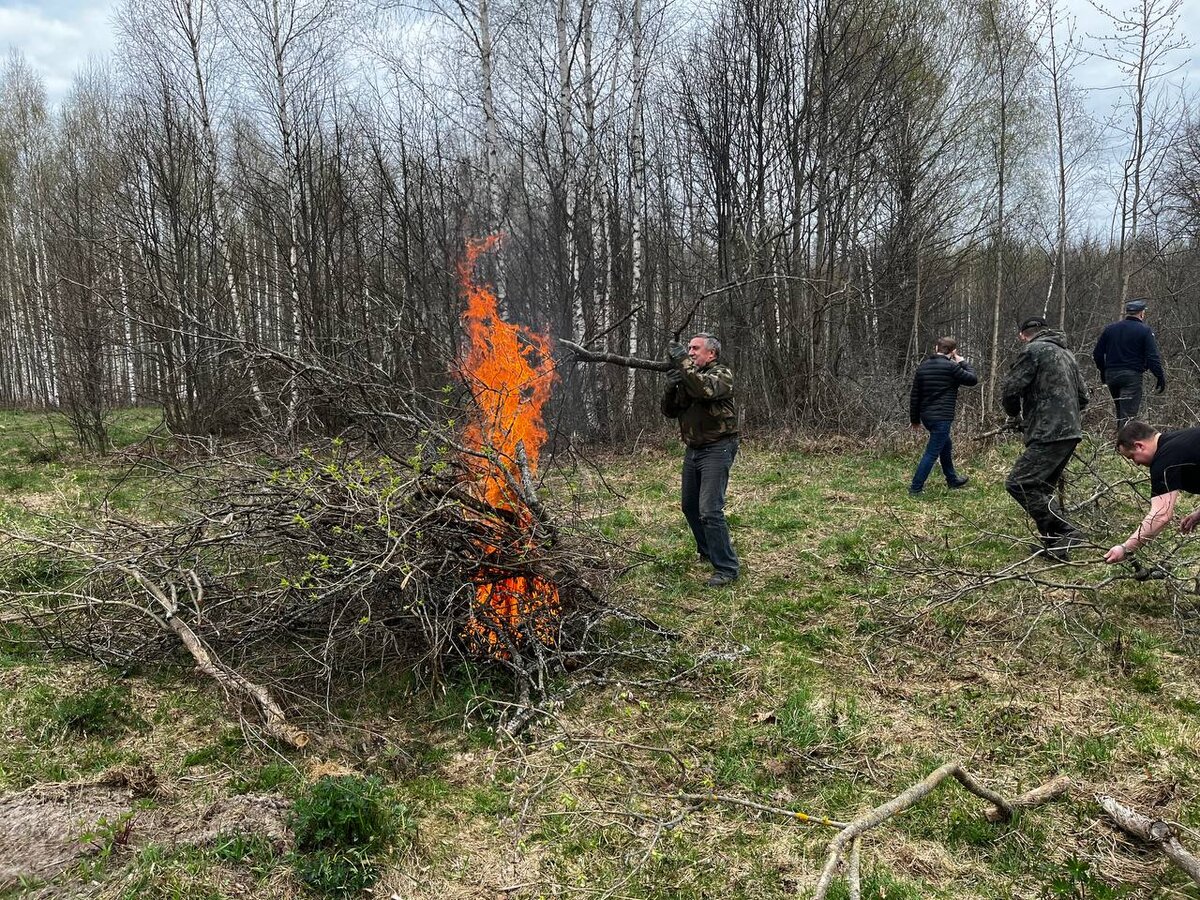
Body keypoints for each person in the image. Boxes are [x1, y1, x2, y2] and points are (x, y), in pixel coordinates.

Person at [1000, 316, 1090, 560]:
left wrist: (1014, 414)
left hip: (1047, 430)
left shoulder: (1033, 351)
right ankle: (1055, 545)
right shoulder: (1067, 354)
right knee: (1042, 487)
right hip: (1071, 430)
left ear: (1023, 335)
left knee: (1019, 483)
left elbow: (1011, 388)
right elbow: (1083, 397)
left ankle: (1067, 531)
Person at [661, 332, 740, 587]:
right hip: (694, 449)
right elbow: (670, 411)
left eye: (695, 348)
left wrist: (682, 363)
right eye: (688, 348)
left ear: (712, 353)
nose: (690, 352)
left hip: (718, 447)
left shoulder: (722, 374)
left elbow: (704, 390)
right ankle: (708, 550)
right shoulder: (689, 377)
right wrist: (670, 387)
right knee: (689, 506)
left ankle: (726, 568)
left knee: (710, 510)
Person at [1103, 420, 1200, 564]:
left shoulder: (1165, 458)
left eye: (1132, 457)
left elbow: (1161, 515)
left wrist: (1125, 548)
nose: (1136, 463)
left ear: (1139, 446)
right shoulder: (1183, 442)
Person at [908, 336, 978, 495]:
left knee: (946, 445)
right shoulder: (952, 367)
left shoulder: (923, 367)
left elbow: (915, 395)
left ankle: (952, 479)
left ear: (936, 348)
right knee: (932, 453)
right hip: (942, 417)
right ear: (953, 352)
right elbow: (973, 379)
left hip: (927, 417)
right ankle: (915, 487)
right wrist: (962, 361)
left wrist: (915, 419)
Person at [1092, 298, 1165, 427]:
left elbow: (1097, 353)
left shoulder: (1110, 329)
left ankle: (1119, 438)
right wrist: (1159, 376)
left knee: (1121, 413)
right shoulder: (1145, 330)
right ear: (1141, 313)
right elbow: (1152, 357)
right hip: (1131, 377)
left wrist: (1104, 371)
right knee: (1128, 418)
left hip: (1112, 375)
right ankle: (1124, 439)